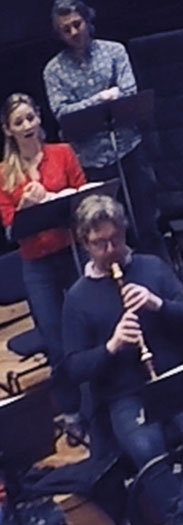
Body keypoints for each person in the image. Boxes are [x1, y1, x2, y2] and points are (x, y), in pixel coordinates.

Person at [61, 195, 183, 525]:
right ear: (84, 244)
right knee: (146, 449)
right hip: (125, 394)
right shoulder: (78, 298)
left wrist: (159, 305)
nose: (111, 249)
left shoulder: (152, 267)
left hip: (173, 377)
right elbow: (74, 367)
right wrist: (111, 347)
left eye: (116, 239)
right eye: (100, 244)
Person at [42, 0, 172, 268]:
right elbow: (62, 113)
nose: (74, 32)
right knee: (107, 229)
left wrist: (103, 101)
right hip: (91, 161)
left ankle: (164, 280)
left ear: (88, 21)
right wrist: (100, 100)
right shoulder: (53, 70)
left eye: (77, 24)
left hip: (129, 149)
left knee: (147, 223)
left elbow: (129, 93)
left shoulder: (114, 51)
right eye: (66, 29)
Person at [0, 93, 89, 431]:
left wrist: (55, 199)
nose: (26, 126)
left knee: (89, 325)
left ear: (39, 118)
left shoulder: (62, 153)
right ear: (8, 130)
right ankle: (72, 411)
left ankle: (100, 397)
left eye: (30, 118)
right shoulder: (4, 174)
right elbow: (10, 229)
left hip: (72, 251)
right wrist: (24, 206)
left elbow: (83, 192)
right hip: (37, 264)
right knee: (55, 338)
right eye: (18, 122)